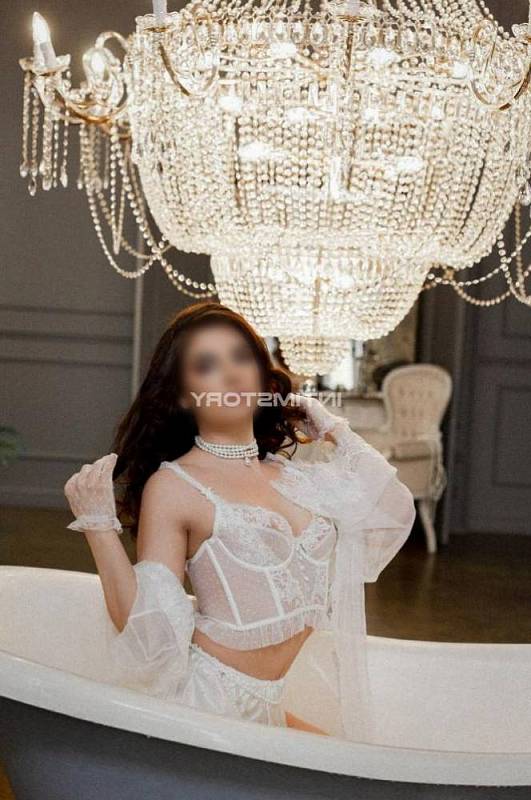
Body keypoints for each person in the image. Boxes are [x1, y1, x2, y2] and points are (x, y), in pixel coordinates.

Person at [63, 301, 416, 740]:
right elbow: (151, 636)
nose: (230, 374)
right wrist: (98, 525)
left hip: (270, 705)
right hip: (209, 708)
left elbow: (392, 511)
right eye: (207, 365)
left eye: (241, 357)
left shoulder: (291, 475)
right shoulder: (175, 486)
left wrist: (333, 429)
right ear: (183, 394)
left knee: (358, 764)